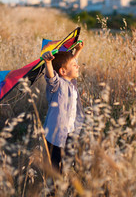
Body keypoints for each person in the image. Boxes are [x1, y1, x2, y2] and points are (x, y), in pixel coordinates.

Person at [41, 42, 85, 173]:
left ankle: (65, 178)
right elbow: (51, 78)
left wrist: (77, 51)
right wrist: (48, 62)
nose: (78, 66)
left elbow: (69, 63)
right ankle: (53, 188)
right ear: (62, 71)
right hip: (56, 136)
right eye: (74, 65)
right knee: (55, 166)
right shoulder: (57, 85)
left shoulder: (71, 82)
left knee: (68, 161)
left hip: (71, 131)